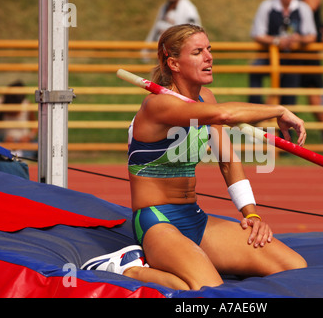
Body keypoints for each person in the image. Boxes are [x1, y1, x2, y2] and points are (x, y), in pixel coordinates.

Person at [82, 24, 307, 291]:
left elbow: (228, 161)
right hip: (157, 222)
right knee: (207, 290)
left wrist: (251, 214)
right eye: (198, 52)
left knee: (293, 266)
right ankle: (129, 269)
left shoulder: (206, 98)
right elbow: (224, 115)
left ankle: (189, 261)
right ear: (174, 63)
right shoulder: (158, 105)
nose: (209, 57)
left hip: (195, 218)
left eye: (209, 49)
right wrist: (278, 110)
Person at [248, 0, 317, 106]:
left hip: (293, 59)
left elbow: (312, 36)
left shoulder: (303, 8)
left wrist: (299, 39)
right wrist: (277, 41)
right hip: (269, 56)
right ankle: (254, 110)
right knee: (255, 71)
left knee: (289, 94)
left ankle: (286, 117)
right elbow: (257, 34)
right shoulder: (267, 6)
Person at [299, 0, 323, 143]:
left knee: (314, 95)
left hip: (307, 51)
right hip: (293, 51)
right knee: (281, 92)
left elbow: (312, 5)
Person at [0, 80, 37, 159]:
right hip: (2, 141)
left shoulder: (27, 104)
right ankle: (16, 155)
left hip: (23, 142)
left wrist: (29, 137)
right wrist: (5, 139)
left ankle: (13, 154)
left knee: (40, 145)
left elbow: (34, 126)